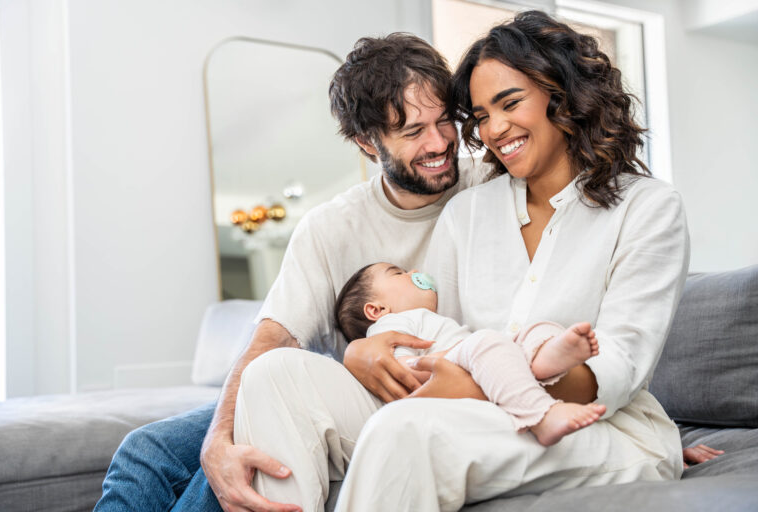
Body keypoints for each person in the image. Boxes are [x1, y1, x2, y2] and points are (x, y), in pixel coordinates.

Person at [229, 11, 699, 512]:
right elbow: (440, 332)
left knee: (405, 429)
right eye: (479, 116)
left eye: (510, 103)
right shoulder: (468, 210)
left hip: (598, 423)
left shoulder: (648, 208)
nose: (494, 129)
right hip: (472, 409)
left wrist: (471, 388)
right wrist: (364, 351)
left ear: (560, 95)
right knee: (273, 375)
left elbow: (620, 367)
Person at [95, 32, 492, 512]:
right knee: (147, 450)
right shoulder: (330, 226)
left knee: (238, 459)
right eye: (412, 132)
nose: (439, 142)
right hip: (331, 392)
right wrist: (217, 440)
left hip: (407, 396)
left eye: (444, 120)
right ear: (367, 142)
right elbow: (273, 340)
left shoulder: (488, 185)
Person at [332, 261, 605, 446]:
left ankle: (545, 356)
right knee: (487, 341)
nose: (413, 271)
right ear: (376, 310)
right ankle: (541, 415)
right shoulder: (388, 326)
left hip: (474, 356)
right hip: (449, 367)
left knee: (532, 329)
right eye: (398, 272)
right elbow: (401, 368)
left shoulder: (424, 317)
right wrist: (453, 354)